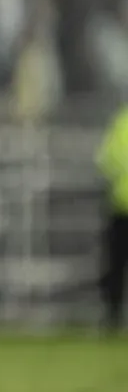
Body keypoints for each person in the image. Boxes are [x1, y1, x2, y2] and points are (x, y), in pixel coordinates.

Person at [97, 104, 128, 332]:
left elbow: (105, 160)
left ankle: (112, 318)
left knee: (115, 266)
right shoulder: (121, 122)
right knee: (115, 267)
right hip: (120, 207)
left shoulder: (121, 122)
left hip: (119, 205)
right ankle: (112, 317)